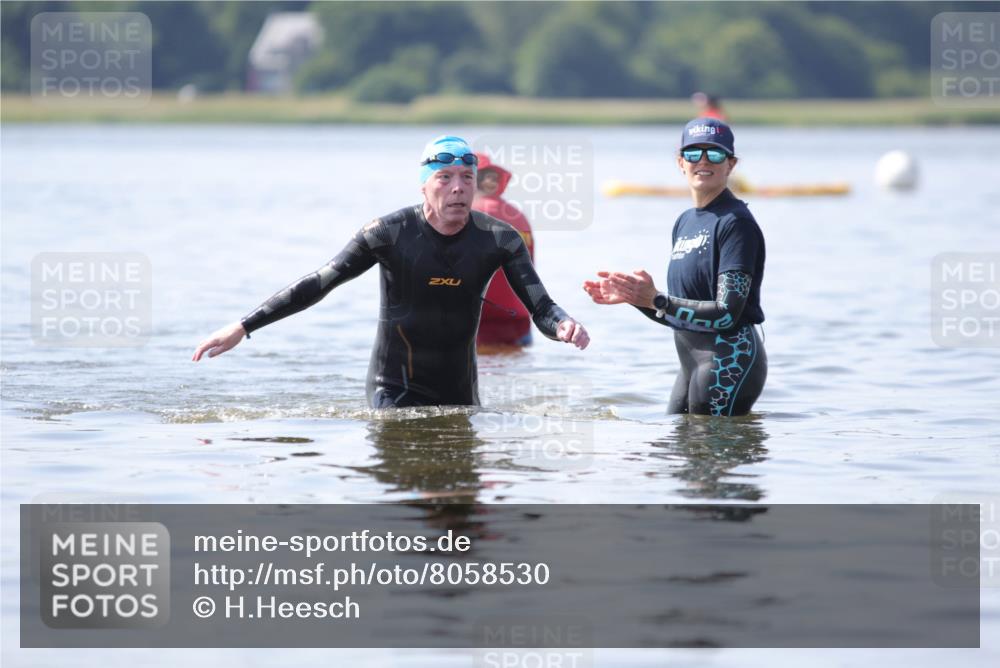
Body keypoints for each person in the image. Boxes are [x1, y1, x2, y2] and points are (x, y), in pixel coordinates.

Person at [192, 135, 589, 408]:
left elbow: (541, 307)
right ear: (424, 186)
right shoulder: (388, 233)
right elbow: (319, 283)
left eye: (467, 179)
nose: (458, 188)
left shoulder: (499, 239)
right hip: (394, 390)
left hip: (460, 394)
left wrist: (564, 325)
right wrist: (243, 326)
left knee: (462, 511)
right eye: (444, 178)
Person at [583, 118, 766, 416]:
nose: (703, 161)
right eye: (694, 154)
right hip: (690, 362)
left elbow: (726, 313)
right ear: (681, 163)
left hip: (728, 360)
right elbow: (680, 316)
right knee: (675, 453)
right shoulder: (685, 222)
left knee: (705, 457)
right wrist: (637, 299)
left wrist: (656, 299)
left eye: (715, 154)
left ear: (731, 165)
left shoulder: (736, 224)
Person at [472, 152, 535, 348]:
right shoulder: (517, 215)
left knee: (483, 376)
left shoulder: (468, 213)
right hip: (519, 319)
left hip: (480, 321)